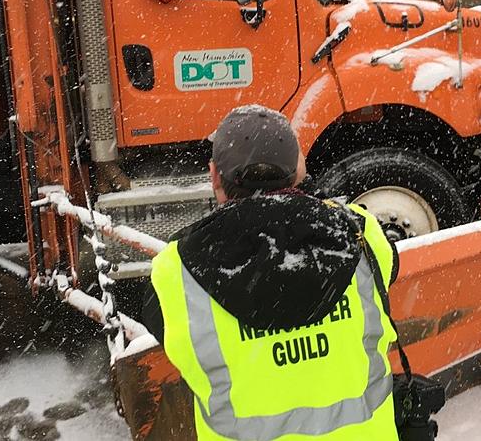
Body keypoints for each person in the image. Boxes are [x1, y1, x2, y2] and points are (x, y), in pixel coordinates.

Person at [142, 105, 400, 440]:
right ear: (298, 169)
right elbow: (385, 265)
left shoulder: (174, 271)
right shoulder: (361, 233)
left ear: (214, 176)